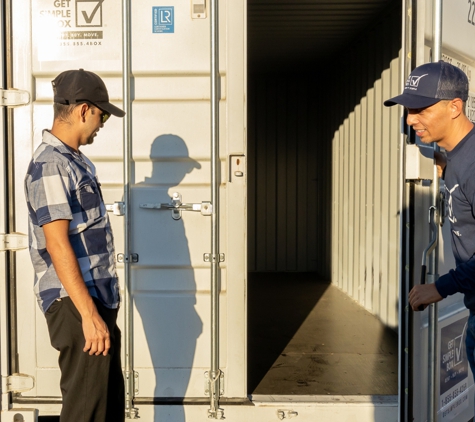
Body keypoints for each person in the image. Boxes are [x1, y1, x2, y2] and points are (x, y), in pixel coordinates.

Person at [24, 69, 126, 421]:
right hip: (75, 303)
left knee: (106, 408)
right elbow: (57, 244)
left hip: (92, 299)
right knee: (86, 412)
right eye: (101, 114)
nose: (102, 123)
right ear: (84, 109)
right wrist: (88, 315)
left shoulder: (73, 161)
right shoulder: (51, 164)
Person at [384, 60, 475, 372]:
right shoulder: (460, 157)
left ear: (454, 107)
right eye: (409, 110)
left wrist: (441, 286)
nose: (410, 120)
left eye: (420, 110)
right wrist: (449, 170)